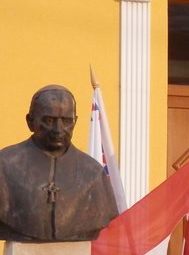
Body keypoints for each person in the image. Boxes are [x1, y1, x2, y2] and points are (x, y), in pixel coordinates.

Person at [0, 85, 118, 242]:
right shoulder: (5, 164)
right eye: (49, 120)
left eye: (67, 121)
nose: (59, 129)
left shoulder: (93, 173)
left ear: (75, 121)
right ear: (30, 122)